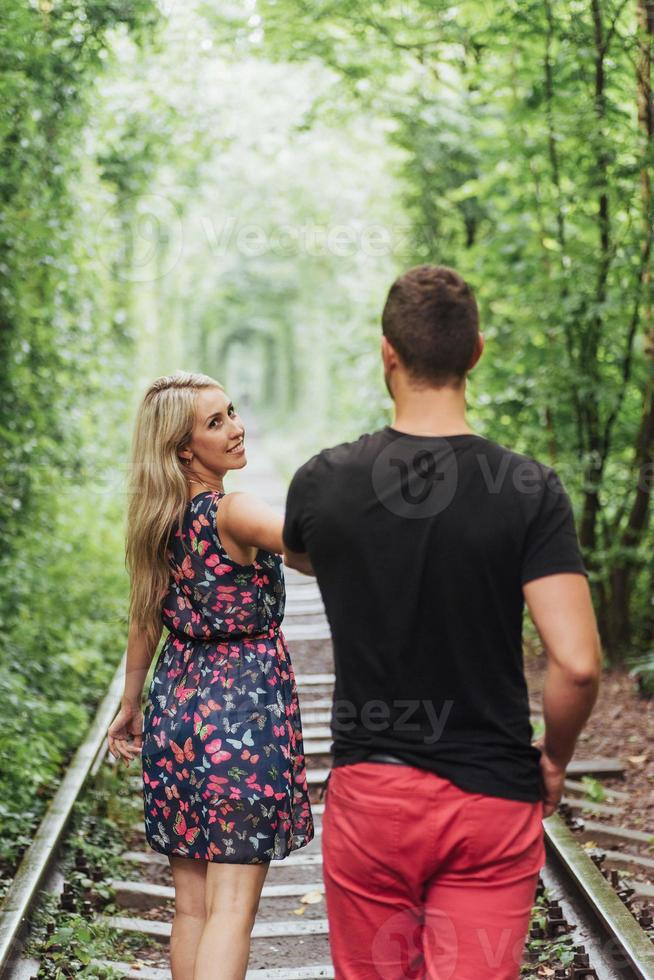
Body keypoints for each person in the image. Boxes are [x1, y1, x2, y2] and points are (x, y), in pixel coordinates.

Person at [282, 265, 601, 980]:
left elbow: (306, 556)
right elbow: (577, 664)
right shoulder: (529, 489)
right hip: (489, 798)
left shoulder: (323, 482)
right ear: (476, 352)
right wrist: (552, 758)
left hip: (374, 797)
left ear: (386, 353)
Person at [107, 371, 314, 980]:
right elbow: (310, 548)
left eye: (232, 412)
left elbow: (145, 616)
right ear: (183, 449)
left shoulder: (157, 520)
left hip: (177, 708)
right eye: (215, 422)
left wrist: (131, 702)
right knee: (230, 911)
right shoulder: (235, 510)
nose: (236, 427)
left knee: (192, 909)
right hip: (243, 714)